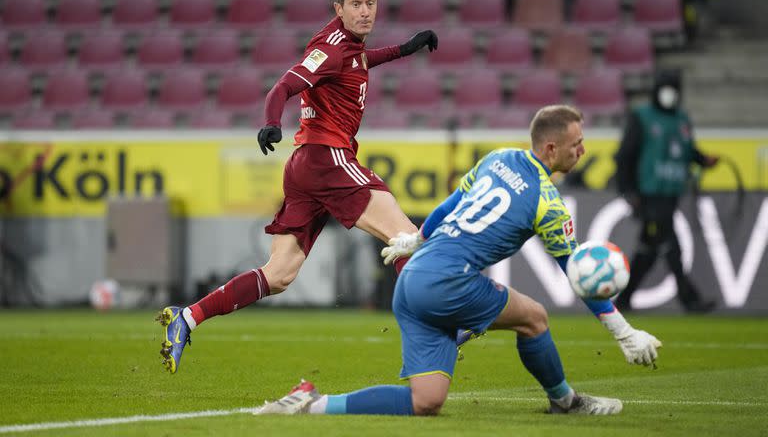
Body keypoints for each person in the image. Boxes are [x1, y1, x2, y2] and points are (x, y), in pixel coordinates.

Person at [257, 105, 662, 417]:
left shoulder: (499, 159)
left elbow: (450, 206)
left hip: (413, 279)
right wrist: (624, 333)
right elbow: (577, 275)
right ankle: (565, 401)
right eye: (577, 144)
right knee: (534, 317)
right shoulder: (549, 204)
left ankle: (313, 403)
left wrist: (416, 240)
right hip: (449, 281)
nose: (583, 150)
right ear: (551, 148)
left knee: (426, 401)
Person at [157, 0, 439, 373]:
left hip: (306, 167)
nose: (364, 12)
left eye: (370, 4)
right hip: (328, 158)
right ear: (338, 8)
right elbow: (283, 86)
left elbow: (358, 60)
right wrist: (272, 121)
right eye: (356, 5)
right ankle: (438, 326)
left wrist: (403, 49)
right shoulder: (331, 47)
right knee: (407, 237)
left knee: (278, 275)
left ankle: (186, 319)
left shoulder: (350, 49)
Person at [614, 68, 718, 313]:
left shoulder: (682, 120)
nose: (668, 95)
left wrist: (703, 160)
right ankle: (689, 299)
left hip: (671, 192)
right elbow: (625, 156)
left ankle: (624, 299)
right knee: (671, 245)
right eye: (664, 90)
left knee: (649, 249)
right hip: (648, 193)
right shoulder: (641, 117)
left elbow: (686, 150)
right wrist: (628, 191)